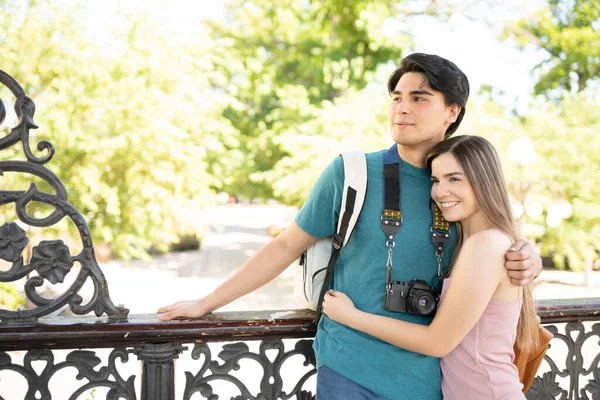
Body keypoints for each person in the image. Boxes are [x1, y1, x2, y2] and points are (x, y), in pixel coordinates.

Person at [157, 53, 542, 400]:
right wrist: (207, 303)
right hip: (350, 369)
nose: (401, 109)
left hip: (432, 380)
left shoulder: (461, 186)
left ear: (451, 112)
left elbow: (494, 244)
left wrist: (527, 257)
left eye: (419, 98)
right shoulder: (352, 174)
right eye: (397, 98)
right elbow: (284, 247)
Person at [322, 135, 537, 400]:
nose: (440, 192)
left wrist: (350, 316)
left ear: (484, 181)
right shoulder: (472, 242)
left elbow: (438, 342)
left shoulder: (486, 244)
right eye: (436, 180)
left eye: (454, 178)